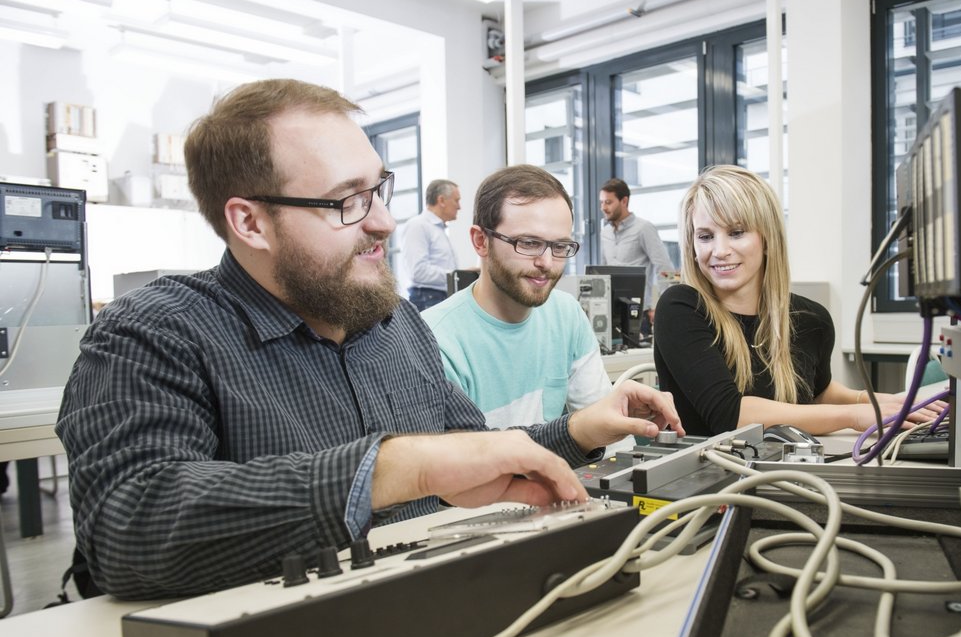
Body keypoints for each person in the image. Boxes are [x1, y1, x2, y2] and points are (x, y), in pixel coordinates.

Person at [55, 79, 681, 600]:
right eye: (345, 201)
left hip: (444, 612)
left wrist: (576, 432)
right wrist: (388, 469)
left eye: (377, 188)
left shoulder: (395, 323)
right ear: (249, 221)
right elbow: (127, 528)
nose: (382, 220)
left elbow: (472, 452)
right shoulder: (155, 332)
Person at [653, 164, 941, 437]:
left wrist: (878, 402)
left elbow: (817, 392)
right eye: (705, 237)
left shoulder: (809, 317)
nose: (720, 250)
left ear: (767, 237)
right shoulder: (681, 309)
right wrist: (855, 416)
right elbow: (731, 415)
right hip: (706, 480)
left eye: (736, 233)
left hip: (784, 467)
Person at [422, 165, 610, 429]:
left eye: (559, 246)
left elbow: (604, 428)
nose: (546, 262)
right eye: (529, 243)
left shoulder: (567, 315)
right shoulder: (434, 340)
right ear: (480, 241)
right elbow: (457, 463)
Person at [599, 178, 675, 330]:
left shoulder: (644, 228)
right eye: (601, 202)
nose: (603, 207)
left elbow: (665, 267)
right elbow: (602, 270)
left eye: (608, 202)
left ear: (624, 201)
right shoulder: (605, 233)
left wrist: (662, 306)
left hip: (639, 314)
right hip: (610, 313)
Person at [401, 179, 462, 310]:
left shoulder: (437, 229)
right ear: (441, 201)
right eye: (456, 200)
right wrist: (455, 276)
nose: (459, 206)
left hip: (439, 298)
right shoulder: (418, 226)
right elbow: (418, 271)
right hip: (428, 299)